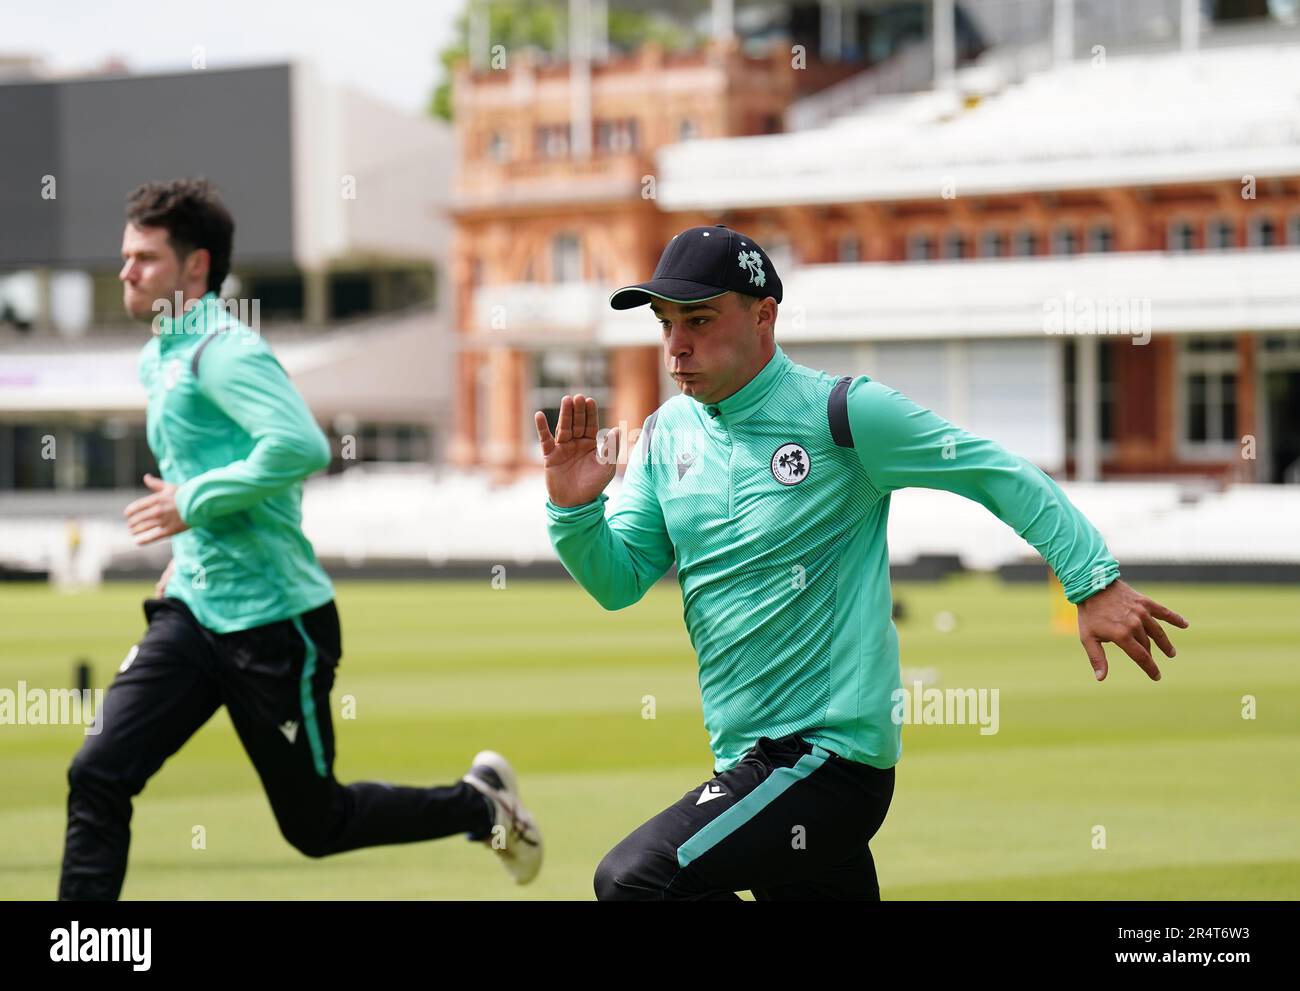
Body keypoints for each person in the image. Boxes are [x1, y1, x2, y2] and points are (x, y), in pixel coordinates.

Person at [535, 224, 1187, 900]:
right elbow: (618, 581)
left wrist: (1092, 580)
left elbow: (993, 471)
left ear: (764, 316)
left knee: (634, 881)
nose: (677, 346)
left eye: (699, 319)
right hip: (750, 762)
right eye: (665, 323)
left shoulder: (842, 413)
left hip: (825, 763)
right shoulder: (667, 432)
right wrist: (575, 511)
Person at [58, 178, 541, 900]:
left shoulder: (224, 350)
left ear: (196, 268)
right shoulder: (158, 356)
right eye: (126, 256)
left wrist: (193, 501)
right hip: (192, 611)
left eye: (145, 259)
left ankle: (482, 806)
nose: (125, 271)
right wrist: (186, 550)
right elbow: (212, 465)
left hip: (275, 625)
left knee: (316, 825)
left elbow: (299, 446)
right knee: (97, 772)